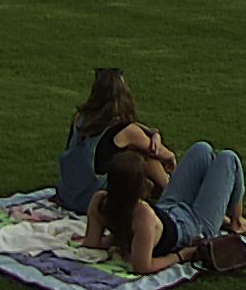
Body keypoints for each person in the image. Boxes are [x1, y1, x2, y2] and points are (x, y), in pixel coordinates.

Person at [79, 145, 246, 275]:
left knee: (202, 149)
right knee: (229, 158)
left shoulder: (100, 202)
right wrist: (181, 256)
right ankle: (237, 222)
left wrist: (116, 240)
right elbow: (143, 266)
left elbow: (92, 243)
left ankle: (223, 216)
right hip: (194, 227)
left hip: (168, 208)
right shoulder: (143, 216)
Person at [55, 68, 176, 212]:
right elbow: (163, 154)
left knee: (133, 153)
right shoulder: (126, 131)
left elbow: (134, 128)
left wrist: (154, 133)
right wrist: (166, 151)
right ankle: (172, 193)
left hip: (67, 194)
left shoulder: (80, 118)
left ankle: (161, 190)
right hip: (91, 201)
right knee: (143, 156)